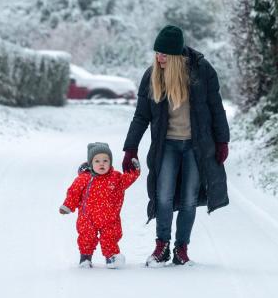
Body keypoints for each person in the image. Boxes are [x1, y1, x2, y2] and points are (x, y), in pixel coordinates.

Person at [122, 25, 230, 267]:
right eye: (157, 53)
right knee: (163, 196)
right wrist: (131, 148)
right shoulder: (152, 76)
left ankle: (182, 248)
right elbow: (141, 116)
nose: (159, 58)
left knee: (190, 198)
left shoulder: (202, 72)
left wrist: (223, 140)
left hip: (195, 146)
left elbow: (216, 108)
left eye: (164, 54)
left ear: (175, 56)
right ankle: (162, 246)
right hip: (167, 146)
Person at [59, 142, 140, 268]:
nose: (101, 163)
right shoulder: (84, 179)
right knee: (86, 237)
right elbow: (73, 193)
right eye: (97, 161)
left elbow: (128, 179)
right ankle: (85, 258)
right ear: (91, 163)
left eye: (105, 160)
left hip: (110, 219)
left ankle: (112, 258)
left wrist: (135, 170)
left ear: (110, 162)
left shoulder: (116, 178)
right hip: (87, 218)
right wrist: (67, 206)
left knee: (110, 238)